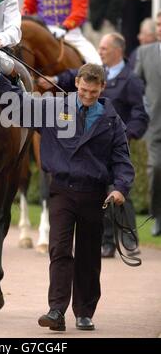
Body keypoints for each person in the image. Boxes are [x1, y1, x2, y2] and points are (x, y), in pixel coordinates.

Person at [0, 57, 135, 332]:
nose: (88, 96)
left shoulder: (112, 121)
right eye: (84, 90)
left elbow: (123, 160)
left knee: (88, 256)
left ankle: (84, 312)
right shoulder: (52, 108)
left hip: (94, 195)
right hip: (62, 191)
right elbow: (20, 104)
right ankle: (56, 310)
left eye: (94, 92)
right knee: (59, 250)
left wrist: (120, 189)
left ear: (102, 88)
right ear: (76, 84)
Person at [37, 32, 148, 257]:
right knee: (98, 195)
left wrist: (127, 134)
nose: (100, 52)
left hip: (115, 141)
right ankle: (106, 242)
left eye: (105, 48)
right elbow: (73, 75)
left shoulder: (132, 80)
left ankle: (128, 238)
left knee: (119, 189)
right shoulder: (97, 72)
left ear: (118, 51)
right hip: (93, 143)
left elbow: (141, 114)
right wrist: (56, 80)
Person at [135, 11, 161, 236]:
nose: (160, 28)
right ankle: (157, 215)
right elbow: (136, 86)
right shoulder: (144, 53)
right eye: (159, 25)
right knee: (156, 168)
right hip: (156, 123)